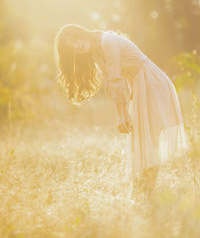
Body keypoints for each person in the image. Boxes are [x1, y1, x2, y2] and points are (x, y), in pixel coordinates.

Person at [54, 23, 188, 199]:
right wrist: (123, 113)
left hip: (153, 83)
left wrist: (122, 115)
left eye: (75, 39)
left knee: (149, 139)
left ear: (82, 33)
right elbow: (111, 82)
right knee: (143, 139)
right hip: (139, 85)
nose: (77, 46)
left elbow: (116, 79)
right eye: (72, 47)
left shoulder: (107, 42)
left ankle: (145, 192)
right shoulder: (96, 52)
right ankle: (142, 191)